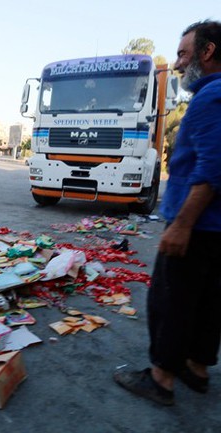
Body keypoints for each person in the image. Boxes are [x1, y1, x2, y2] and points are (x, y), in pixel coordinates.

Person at [113, 20, 221, 406]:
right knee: (208, 301)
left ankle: (161, 380)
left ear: (207, 53)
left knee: (171, 302)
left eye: (182, 54)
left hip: (196, 227)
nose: (176, 65)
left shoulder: (211, 96)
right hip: (214, 230)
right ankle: (196, 370)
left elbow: (212, 170)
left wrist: (181, 225)